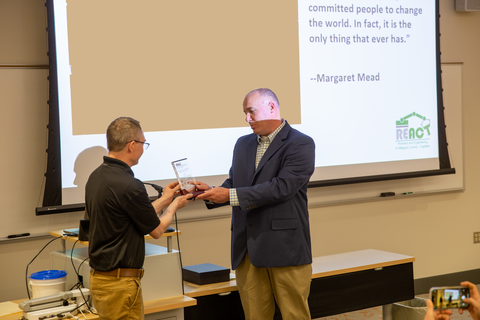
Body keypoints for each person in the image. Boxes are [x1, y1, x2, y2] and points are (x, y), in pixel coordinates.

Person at [195, 88, 315, 320]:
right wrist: (210, 192)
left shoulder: (300, 143)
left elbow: (282, 187)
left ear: (271, 107)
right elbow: (235, 181)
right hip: (246, 247)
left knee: (294, 315)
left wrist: (229, 196)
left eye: (251, 112)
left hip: (284, 247)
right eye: (244, 113)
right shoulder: (243, 144)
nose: (247, 119)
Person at [85, 117, 192, 320]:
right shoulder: (129, 184)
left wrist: (165, 198)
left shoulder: (96, 177)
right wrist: (174, 205)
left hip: (101, 282)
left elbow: (133, 214)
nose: (144, 148)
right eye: (144, 143)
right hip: (120, 287)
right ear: (132, 145)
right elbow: (157, 230)